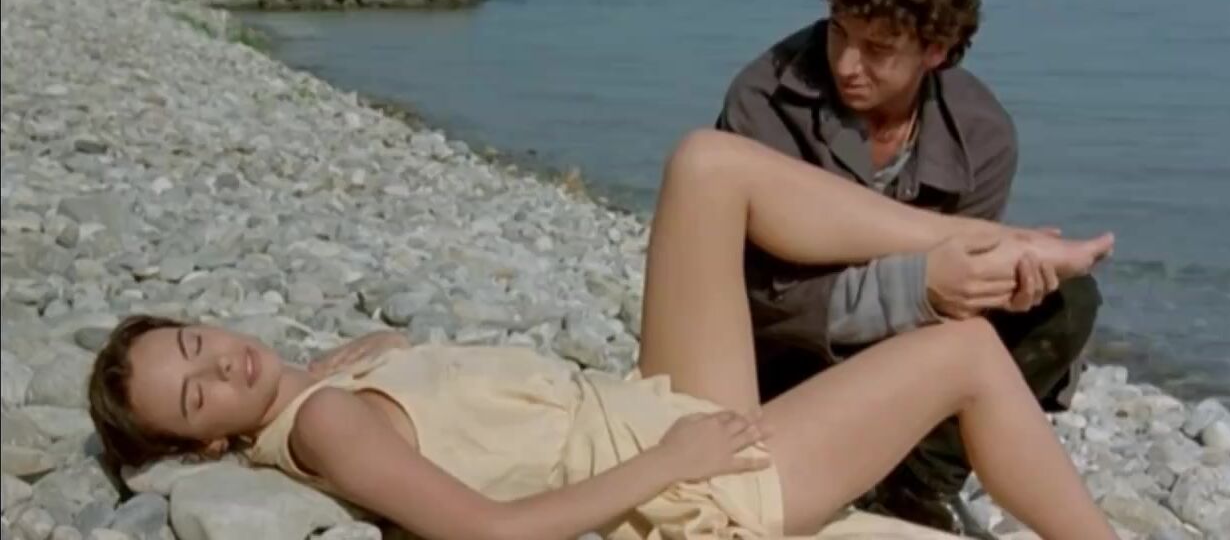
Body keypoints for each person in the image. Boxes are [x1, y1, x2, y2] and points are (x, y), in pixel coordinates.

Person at [87, 130, 1118, 540]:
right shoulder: (327, 426)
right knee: (963, 353)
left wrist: (333, 368)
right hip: (686, 480)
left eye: (195, 341)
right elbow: (487, 533)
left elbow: (357, 415)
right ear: (207, 445)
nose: (221, 361)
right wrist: (669, 463)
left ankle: (993, 241)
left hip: (640, 412)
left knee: (708, 166)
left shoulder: (319, 395)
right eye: (198, 393)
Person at [715, 0, 1105, 536]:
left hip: (906, 352)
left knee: (1066, 301)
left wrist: (996, 285)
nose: (847, 64)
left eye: (878, 49)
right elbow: (753, 296)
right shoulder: (764, 100)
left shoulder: (982, 133)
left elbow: (960, 304)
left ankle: (915, 486)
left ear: (936, 50)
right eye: (839, 32)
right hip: (775, 361)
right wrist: (918, 286)